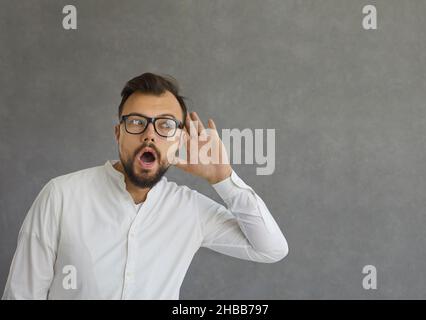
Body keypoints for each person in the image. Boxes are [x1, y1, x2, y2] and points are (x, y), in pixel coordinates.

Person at [2, 72, 288, 299]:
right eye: (137, 122)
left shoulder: (190, 210)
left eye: (165, 125)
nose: (149, 135)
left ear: (179, 139)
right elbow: (22, 294)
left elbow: (270, 249)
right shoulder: (61, 196)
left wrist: (223, 179)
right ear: (118, 133)